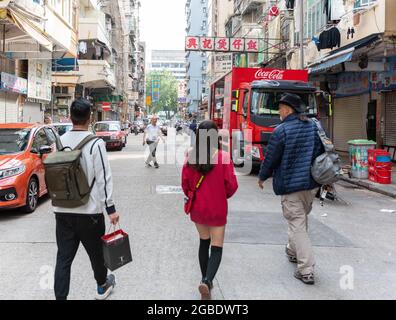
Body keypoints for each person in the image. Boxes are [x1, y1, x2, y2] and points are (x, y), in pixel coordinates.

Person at [53, 99, 119, 300]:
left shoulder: (59, 141)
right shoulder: (96, 143)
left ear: (70, 117)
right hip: (89, 213)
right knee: (96, 255)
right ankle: (101, 286)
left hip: (63, 211)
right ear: (90, 118)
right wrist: (111, 209)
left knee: (63, 259)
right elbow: (104, 178)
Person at [258, 93, 324, 285]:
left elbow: (271, 157)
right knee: (300, 220)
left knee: (297, 222)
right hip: (311, 184)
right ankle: (293, 251)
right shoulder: (314, 127)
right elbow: (321, 153)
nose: (278, 112)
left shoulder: (282, 130)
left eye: (280, 108)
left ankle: (306, 269)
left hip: (290, 185)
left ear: (287, 110)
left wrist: (262, 176)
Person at [182, 120, 238, 300]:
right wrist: (221, 195)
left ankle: (205, 279)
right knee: (216, 247)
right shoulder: (223, 157)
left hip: (198, 208)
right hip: (217, 207)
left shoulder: (191, 156)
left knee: (203, 242)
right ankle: (207, 281)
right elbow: (231, 185)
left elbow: (185, 184)